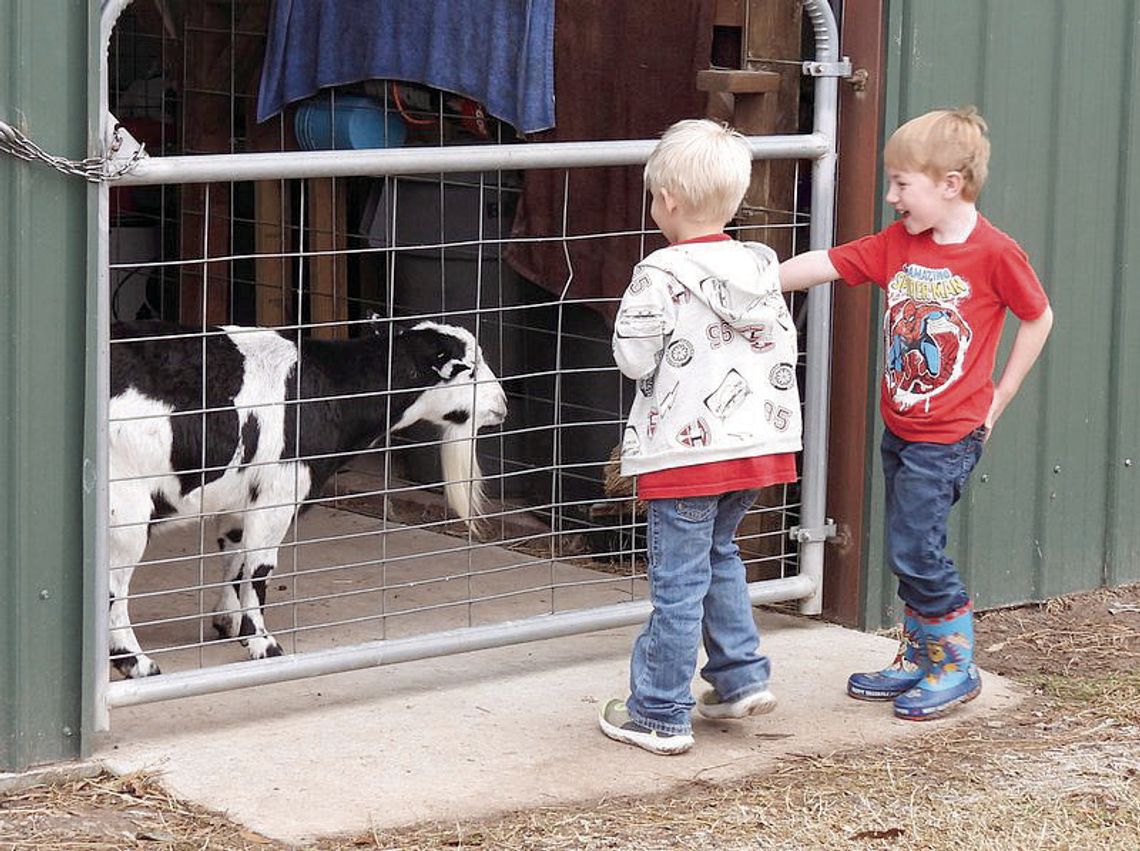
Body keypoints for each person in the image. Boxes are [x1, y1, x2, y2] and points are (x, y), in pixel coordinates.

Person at [780, 106, 1054, 720]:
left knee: (915, 548)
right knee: (911, 541)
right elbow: (827, 263)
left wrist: (1000, 395)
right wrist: (754, 280)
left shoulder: (994, 254)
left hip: (949, 436)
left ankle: (955, 663)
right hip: (901, 427)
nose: (890, 195)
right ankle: (919, 655)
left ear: (949, 184)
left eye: (903, 184)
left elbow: (1038, 316)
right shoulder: (897, 245)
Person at [599, 119, 801, 755]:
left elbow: (633, 359)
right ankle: (739, 679)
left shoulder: (657, 273)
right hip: (757, 449)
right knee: (721, 558)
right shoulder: (760, 266)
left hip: (687, 457)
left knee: (677, 586)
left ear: (669, 201)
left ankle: (658, 711)